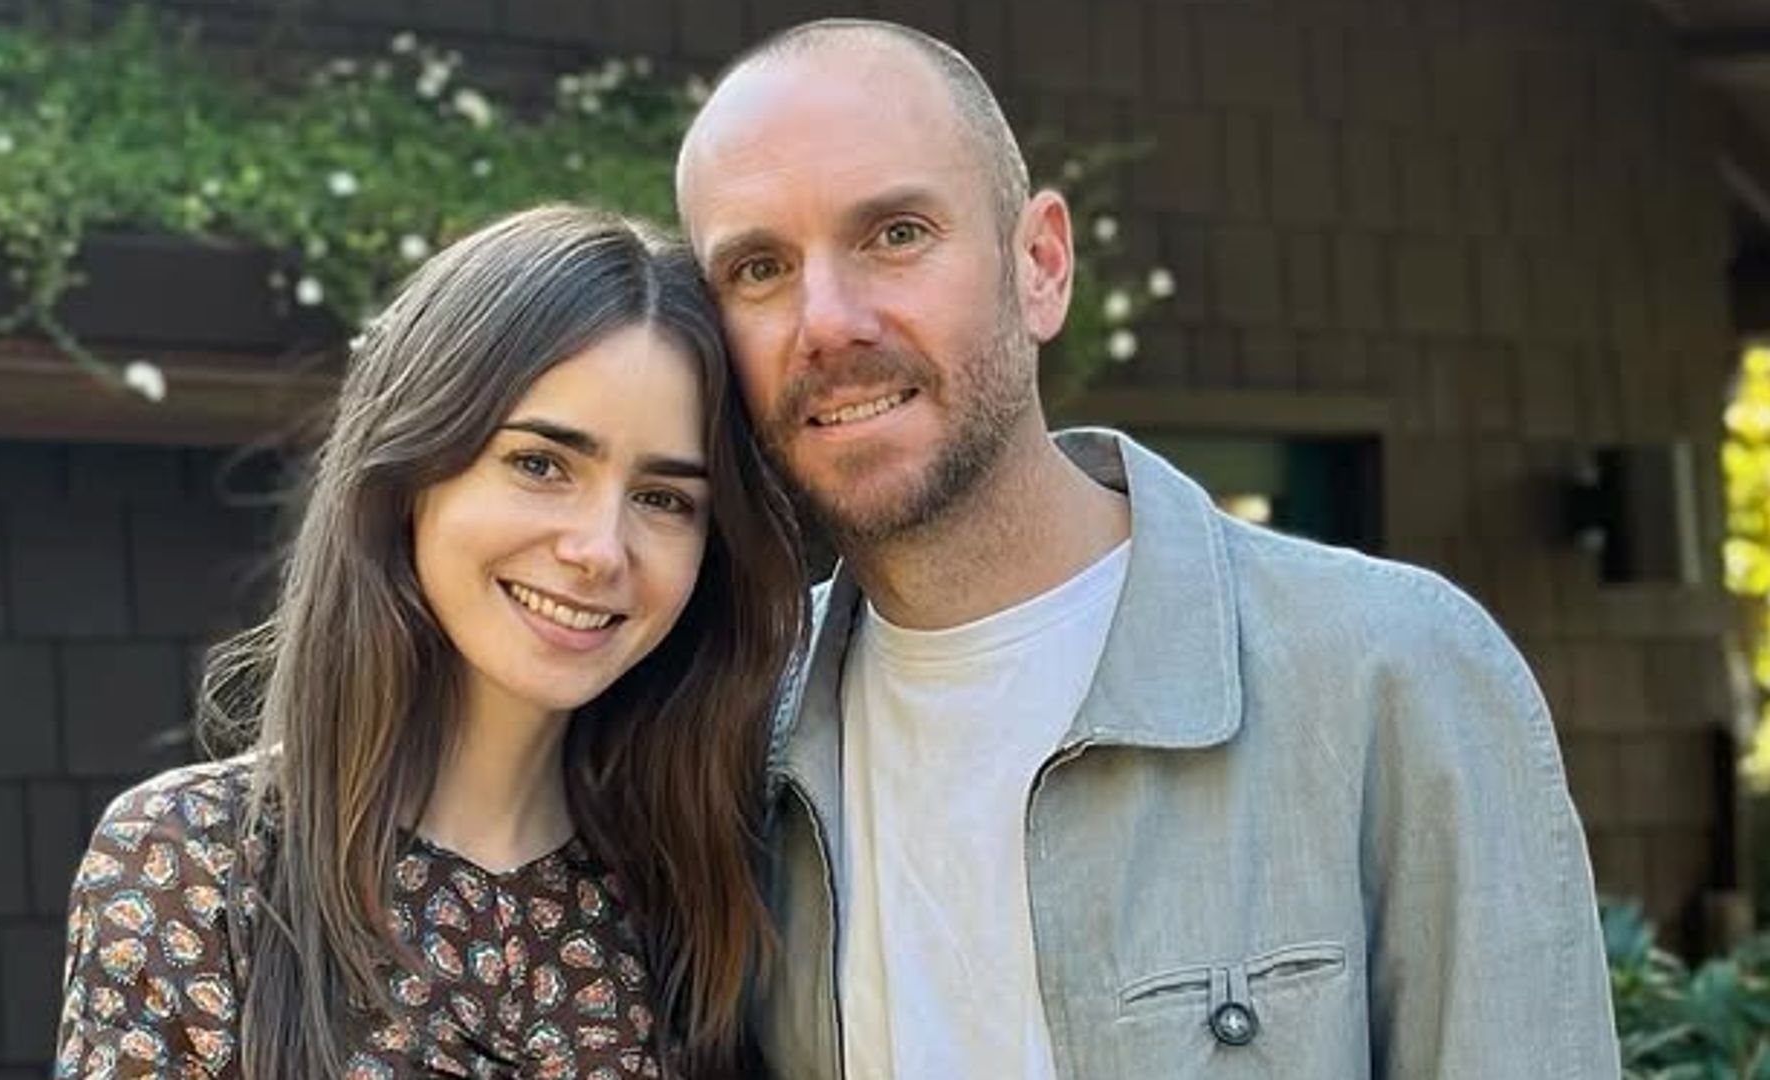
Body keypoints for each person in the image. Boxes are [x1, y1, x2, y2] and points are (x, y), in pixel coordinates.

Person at [675, 18, 1621, 1079]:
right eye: (759, 268)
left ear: (1040, 265)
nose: (829, 321)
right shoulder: (727, 724)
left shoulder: (1392, 675)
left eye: (895, 234)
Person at [53, 205, 804, 1079]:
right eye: (540, 464)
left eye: (665, 499)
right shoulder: (193, 865)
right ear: (410, 471)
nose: (600, 550)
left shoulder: (704, 895)